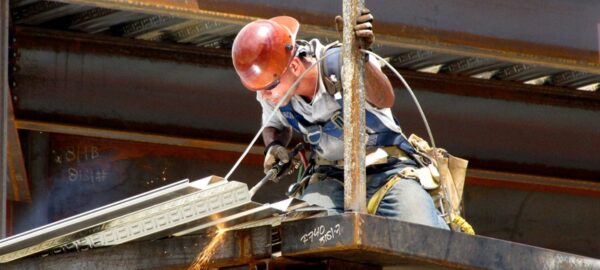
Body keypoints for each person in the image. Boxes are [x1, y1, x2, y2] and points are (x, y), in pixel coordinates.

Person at [231, 10, 449, 230]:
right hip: (330, 177)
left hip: (388, 170)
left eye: (268, 88)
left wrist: (359, 60)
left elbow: (385, 99)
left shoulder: (341, 62)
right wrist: (274, 146)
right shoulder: (273, 89)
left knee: (423, 233)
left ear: (294, 67)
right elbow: (274, 124)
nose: (265, 96)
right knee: (304, 235)